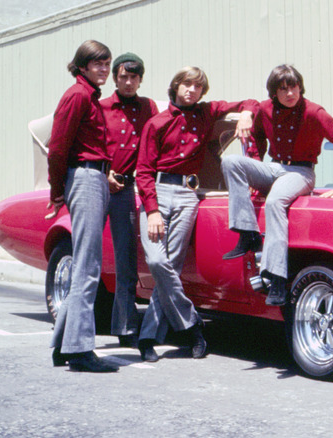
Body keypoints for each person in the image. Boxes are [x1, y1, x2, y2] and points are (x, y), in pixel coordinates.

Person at [135, 66, 258, 362]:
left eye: (197, 87)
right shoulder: (157, 123)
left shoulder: (206, 113)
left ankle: (148, 337)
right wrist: (151, 210)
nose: (191, 90)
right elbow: (143, 171)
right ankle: (192, 326)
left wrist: (246, 114)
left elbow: (251, 102)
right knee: (157, 261)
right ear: (176, 86)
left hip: (189, 195)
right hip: (157, 194)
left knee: (171, 269)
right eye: (186, 85)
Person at [221, 64, 333, 306]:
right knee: (232, 162)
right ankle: (248, 234)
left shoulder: (314, 113)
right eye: (283, 89)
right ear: (274, 92)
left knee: (275, 201)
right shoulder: (265, 110)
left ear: (300, 87)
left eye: (294, 87)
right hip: (274, 167)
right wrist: (255, 164)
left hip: (301, 172)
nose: (290, 93)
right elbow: (255, 136)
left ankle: (276, 277)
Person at [46, 40, 119, 372]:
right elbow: (58, 147)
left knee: (84, 265)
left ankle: (64, 344)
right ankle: (80, 350)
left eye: (107, 64)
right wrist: (56, 190)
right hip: (85, 178)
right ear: (83, 66)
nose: (104, 69)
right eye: (98, 64)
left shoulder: (89, 96)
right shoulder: (77, 95)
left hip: (97, 178)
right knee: (88, 265)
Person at [100, 53, 159, 348]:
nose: (128, 82)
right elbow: (88, 144)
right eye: (123, 76)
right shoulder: (99, 108)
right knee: (85, 260)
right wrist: (104, 173)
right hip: (98, 184)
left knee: (126, 259)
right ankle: (67, 335)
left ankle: (125, 328)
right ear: (114, 78)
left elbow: (156, 146)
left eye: (133, 77)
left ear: (140, 79)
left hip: (126, 188)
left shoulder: (149, 107)